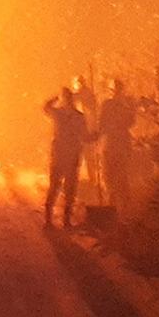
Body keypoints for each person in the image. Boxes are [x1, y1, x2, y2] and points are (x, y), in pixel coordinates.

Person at [42, 86, 91, 229]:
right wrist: (94, 136)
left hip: (67, 156)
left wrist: (55, 98)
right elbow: (86, 137)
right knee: (60, 187)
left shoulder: (60, 114)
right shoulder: (69, 115)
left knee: (65, 188)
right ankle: (55, 220)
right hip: (64, 156)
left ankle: (57, 220)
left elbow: (46, 107)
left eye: (67, 98)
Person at [98, 78, 138, 218]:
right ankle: (120, 213)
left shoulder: (111, 105)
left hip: (114, 147)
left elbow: (102, 125)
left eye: (116, 91)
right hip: (114, 146)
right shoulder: (121, 105)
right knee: (116, 180)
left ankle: (119, 213)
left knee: (115, 180)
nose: (115, 93)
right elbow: (130, 122)